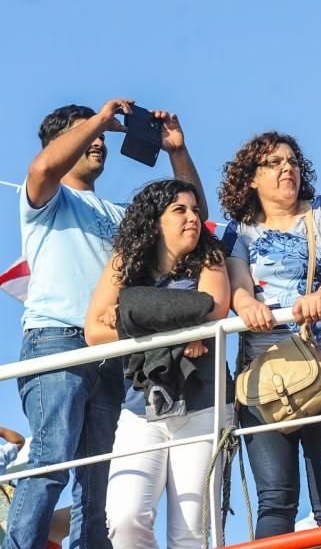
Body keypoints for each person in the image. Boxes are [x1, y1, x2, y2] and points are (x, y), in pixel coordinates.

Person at [5, 101, 206, 549]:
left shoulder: (120, 216)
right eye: (86, 133)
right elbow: (42, 169)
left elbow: (189, 219)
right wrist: (100, 118)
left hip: (112, 348)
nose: (99, 140)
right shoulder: (46, 197)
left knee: (99, 478)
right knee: (51, 459)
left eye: (100, 134)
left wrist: (177, 151)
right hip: (56, 340)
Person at [220, 132, 321, 536]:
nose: (288, 168)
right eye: (274, 163)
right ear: (250, 178)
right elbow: (238, 284)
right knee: (276, 500)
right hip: (265, 374)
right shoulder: (238, 231)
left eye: (293, 161)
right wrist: (246, 306)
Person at [83, 179, 232, 548]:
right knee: (125, 518)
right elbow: (94, 330)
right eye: (179, 210)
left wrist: (131, 311)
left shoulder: (209, 255)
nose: (192, 218)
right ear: (155, 220)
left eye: (195, 210)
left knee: (190, 533)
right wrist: (181, 325)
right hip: (140, 409)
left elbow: (213, 307)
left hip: (204, 406)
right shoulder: (126, 261)